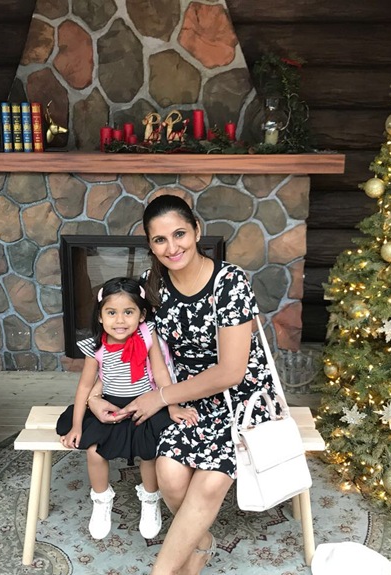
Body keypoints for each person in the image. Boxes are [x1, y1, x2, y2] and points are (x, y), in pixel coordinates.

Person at [86, 195, 277, 575]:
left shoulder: (229, 282)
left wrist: (158, 397)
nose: (172, 247)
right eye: (160, 239)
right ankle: (201, 543)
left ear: (197, 231)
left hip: (241, 397)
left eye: (179, 234)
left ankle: (162, 571)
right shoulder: (150, 287)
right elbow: (117, 344)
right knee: (170, 476)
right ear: (150, 243)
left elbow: (231, 372)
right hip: (186, 397)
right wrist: (93, 395)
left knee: (208, 484)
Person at [56, 276, 198, 541]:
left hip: (145, 405)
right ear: (100, 316)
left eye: (128, 312)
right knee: (94, 451)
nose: (120, 320)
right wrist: (76, 426)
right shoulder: (96, 347)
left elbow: (161, 372)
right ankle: (101, 500)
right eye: (111, 312)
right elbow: (85, 387)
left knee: (149, 453)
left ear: (141, 315)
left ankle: (150, 499)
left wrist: (173, 406)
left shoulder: (147, 336)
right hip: (111, 405)